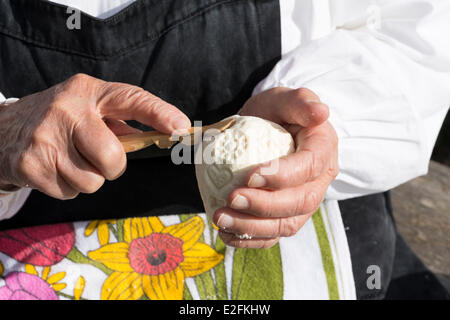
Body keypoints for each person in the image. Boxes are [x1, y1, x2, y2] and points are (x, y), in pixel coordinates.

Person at [0, 0, 448, 300]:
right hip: (38, 256)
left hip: (310, 238)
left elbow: (419, 35)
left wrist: (323, 123)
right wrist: (6, 133)